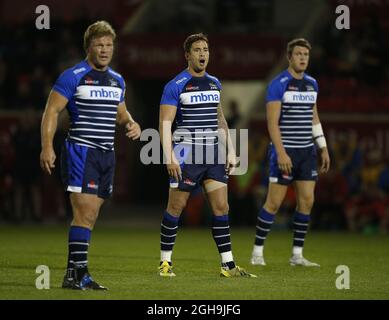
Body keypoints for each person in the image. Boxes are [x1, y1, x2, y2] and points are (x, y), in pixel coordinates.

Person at [40, 21, 141, 290]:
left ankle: (75, 274)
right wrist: (47, 146)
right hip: (80, 151)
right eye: (99, 45)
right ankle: (77, 274)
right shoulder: (73, 75)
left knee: (91, 216)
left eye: (109, 45)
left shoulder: (117, 80)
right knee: (83, 212)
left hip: (105, 155)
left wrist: (131, 122)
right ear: (89, 47)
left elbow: (120, 112)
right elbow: (51, 111)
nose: (105, 49)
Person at [158, 33, 256, 278]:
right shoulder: (176, 84)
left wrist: (231, 151)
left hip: (213, 153)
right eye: (197, 50)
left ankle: (228, 265)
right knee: (176, 206)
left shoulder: (214, 83)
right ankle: (165, 263)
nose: (203, 54)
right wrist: (169, 156)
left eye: (206, 49)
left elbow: (219, 119)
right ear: (187, 55)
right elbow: (165, 123)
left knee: (222, 207)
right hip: (186, 153)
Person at [250, 38, 330, 267]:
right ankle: (257, 253)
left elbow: (314, 117)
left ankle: (297, 255)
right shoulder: (279, 83)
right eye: (298, 54)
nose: (303, 58)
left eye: (306, 54)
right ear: (289, 57)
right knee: (273, 203)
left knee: (307, 202)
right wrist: (281, 152)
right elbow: (272, 123)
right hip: (284, 152)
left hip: (307, 152)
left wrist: (322, 146)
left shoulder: (312, 84)